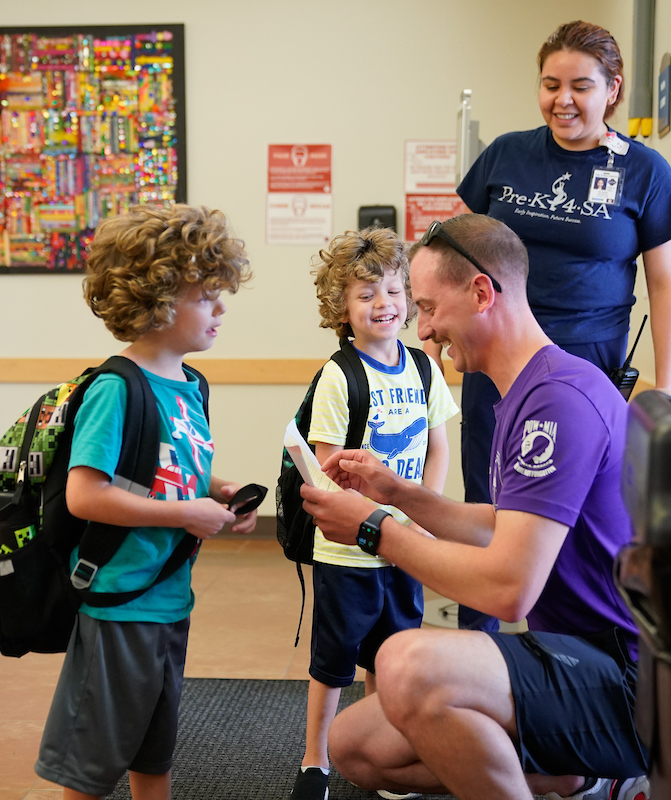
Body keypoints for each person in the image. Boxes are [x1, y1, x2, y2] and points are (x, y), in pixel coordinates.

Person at [300, 214, 648, 800]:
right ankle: (583, 780)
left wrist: (375, 531)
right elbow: (502, 525)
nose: (426, 330)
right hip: (569, 655)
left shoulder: (555, 403)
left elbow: (509, 589)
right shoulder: (531, 389)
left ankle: (610, 766)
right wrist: (396, 492)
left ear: (482, 292)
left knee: (407, 663)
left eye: (430, 308)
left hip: (623, 678)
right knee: (355, 741)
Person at [437, 20, 671, 633]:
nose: (563, 99)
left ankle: (577, 660)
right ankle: (480, 648)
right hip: (495, 363)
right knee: (488, 505)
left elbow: (666, 287)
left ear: (613, 89)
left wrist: (666, 385)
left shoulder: (645, 171)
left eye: (581, 85)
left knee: (569, 514)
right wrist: (447, 337)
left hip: (587, 370)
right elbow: (456, 256)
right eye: (551, 84)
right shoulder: (505, 154)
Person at [34, 204, 259, 800]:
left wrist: (218, 491)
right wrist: (186, 514)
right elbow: (86, 495)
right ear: (157, 299)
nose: (221, 308)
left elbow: (173, 471)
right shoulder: (115, 388)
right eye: (206, 295)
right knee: (92, 764)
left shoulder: (190, 384)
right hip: (118, 604)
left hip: (168, 600)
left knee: (154, 752)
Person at [291, 227, 458, 800]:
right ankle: (317, 759)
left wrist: (416, 513)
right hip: (347, 548)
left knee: (391, 652)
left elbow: (438, 446)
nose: (382, 304)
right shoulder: (340, 374)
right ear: (341, 308)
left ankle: (378, 746)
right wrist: (370, 519)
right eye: (365, 296)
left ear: (409, 298)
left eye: (391, 291)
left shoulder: (423, 367)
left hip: (403, 541)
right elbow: (327, 464)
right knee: (334, 657)